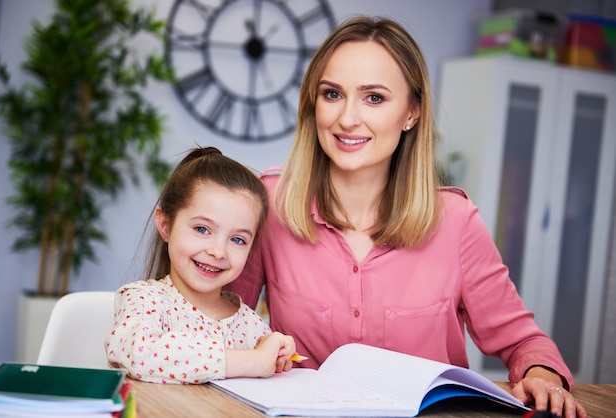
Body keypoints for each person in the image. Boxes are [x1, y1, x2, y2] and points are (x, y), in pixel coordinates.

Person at [226, 16, 587, 418]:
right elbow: (217, 320)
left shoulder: (456, 221)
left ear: (412, 112)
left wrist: (544, 376)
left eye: (374, 98)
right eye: (332, 94)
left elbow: (524, 343)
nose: (347, 118)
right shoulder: (271, 202)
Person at [106, 147, 298, 384]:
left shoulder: (250, 325)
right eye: (202, 229)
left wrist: (277, 354)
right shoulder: (144, 300)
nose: (218, 251)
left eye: (238, 240)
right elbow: (140, 355)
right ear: (165, 225)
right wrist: (255, 361)